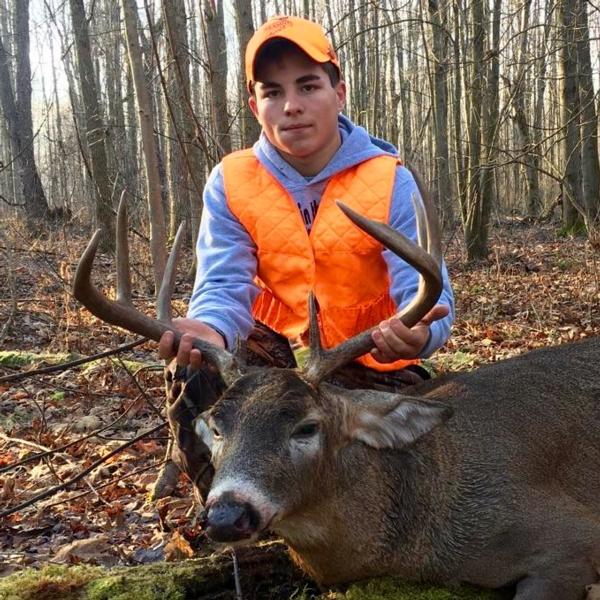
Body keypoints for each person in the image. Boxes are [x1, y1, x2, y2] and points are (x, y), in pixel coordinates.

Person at [159, 15, 454, 384]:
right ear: (255, 107)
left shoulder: (390, 181)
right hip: (276, 358)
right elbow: (223, 283)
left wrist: (418, 333)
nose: (291, 106)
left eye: (308, 87)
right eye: (273, 93)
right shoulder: (232, 181)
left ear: (339, 94)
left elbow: (426, 292)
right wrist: (211, 328)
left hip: (370, 358)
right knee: (196, 370)